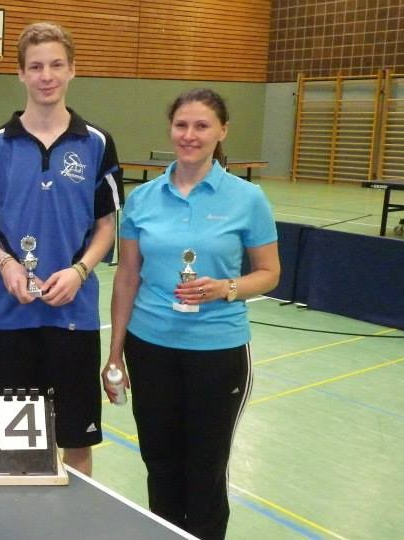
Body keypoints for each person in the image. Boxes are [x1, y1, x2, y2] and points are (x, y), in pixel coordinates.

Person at [102, 88, 280, 539]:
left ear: (222, 131)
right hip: (150, 348)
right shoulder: (142, 199)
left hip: (217, 354)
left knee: (205, 469)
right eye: (182, 125)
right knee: (159, 463)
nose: (190, 135)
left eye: (202, 126)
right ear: (171, 130)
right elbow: (127, 277)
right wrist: (115, 352)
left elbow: (269, 273)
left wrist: (226, 288)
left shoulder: (248, 198)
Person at [0, 22, 122, 476]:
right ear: (20, 74)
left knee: (77, 442)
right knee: (11, 444)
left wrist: (80, 271)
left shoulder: (97, 144)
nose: (46, 75)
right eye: (35, 66)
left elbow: (107, 226)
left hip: (75, 316)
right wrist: (7, 264)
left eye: (55, 65)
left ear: (72, 70)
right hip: (9, 316)